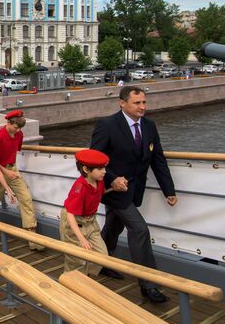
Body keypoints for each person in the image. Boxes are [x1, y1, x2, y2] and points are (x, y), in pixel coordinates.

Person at [90, 85, 177, 303]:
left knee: (113, 225)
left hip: (135, 190)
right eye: (137, 103)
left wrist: (169, 190)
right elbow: (93, 158)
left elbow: (158, 159)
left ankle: (101, 262)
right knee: (139, 230)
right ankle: (149, 285)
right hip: (114, 191)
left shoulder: (149, 125)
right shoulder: (107, 125)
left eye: (144, 102)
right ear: (122, 103)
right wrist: (111, 178)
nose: (142, 107)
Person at [0, 110, 44, 251]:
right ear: (8, 123)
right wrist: (7, 171)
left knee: (26, 198)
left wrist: (12, 170)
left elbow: (16, 150)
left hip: (13, 169)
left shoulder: (19, 135)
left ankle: (32, 236)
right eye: (16, 127)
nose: (18, 131)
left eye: (20, 128)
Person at [59, 149, 109, 275]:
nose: (104, 171)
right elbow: (70, 215)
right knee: (76, 260)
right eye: (100, 168)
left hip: (90, 222)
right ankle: (70, 283)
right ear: (86, 170)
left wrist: (115, 187)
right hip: (74, 222)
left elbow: (99, 193)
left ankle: (84, 277)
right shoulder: (80, 187)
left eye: (104, 167)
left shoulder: (99, 181)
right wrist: (82, 239)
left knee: (102, 255)